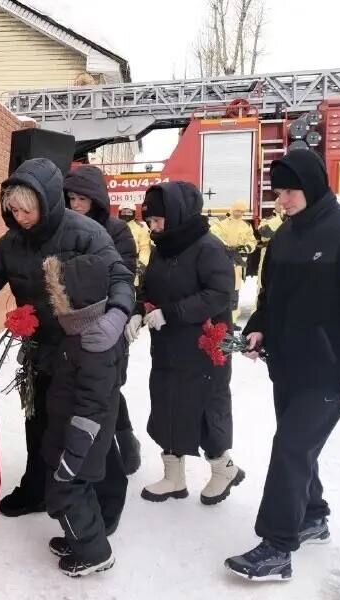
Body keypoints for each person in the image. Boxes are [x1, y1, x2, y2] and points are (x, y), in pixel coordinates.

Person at [0, 158, 135, 518]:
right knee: (39, 421)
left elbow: (119, 274)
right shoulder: (13, 243)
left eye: (26, 209)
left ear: (47, 201)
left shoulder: (84, 232)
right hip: (42, 348)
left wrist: (118, 315)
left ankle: (107, 501)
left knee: (91, 428)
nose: (20, 217)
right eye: (13, 210)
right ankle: (37, 487)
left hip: (87, 344)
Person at [225, 149, 340, 582]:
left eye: (290, 191)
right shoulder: (285, 237)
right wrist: (259, 329)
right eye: (278, 193)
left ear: (313, 185)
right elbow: (271, 298)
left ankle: (277, 546)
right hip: (289, 365)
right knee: (299, 448)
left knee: (291, 448)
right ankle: (312, 515)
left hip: (330, 369)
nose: (283, 201)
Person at [125, 183, 245, 505]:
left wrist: (173, 313)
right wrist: (140, 310)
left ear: (177, 215)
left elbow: (218, 294)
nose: (153, 227)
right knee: (167, 404)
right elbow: (150, 288)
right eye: (149, 222)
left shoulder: (208, 247)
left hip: (204, 348)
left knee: (206, 408)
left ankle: (223, 469)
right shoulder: (162, 249)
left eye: (158, 220)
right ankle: (173, 476)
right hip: (168, 348)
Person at [41, 254, 128, 577]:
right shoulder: (80, 331)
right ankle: (79, 537)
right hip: (66, 431)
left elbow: (92, 406)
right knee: (73, 489)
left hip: (82, 438)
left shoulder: (94, 345)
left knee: (69, 489)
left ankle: (94, 552)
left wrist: (73, 454)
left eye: (59, 296)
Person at [64, 165, 141, 475]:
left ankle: (123, 446)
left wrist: (114, 317)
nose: (75, 205)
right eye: (70, 198)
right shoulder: (65, 228)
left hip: (108, 324)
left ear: (96, 200)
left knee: (108, 391)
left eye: (82, 199)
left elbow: (124, 275)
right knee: (86, 394)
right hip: (72, 325)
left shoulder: (116, 230)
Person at [211, 200, 256, 325]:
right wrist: (227, 247)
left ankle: (233, 321)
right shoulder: (221, 223)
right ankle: (221, 321)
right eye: (237, 210)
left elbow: (252, 241)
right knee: (221, 291)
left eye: (242, 211)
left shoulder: (245, 226)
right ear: (232, 209)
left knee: (234, 294)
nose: (239, 213)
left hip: (237, 265)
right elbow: (214, 236)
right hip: (223, 262)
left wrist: (245, 248)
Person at [119, 198, 151, 286]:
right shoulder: (114, 226)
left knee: (132, 287)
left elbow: (145, 247)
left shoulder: (140, 228)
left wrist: (142, 263)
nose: (126, 214)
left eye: (129, 212)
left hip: (134, 263)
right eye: (123, 212)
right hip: (117, 261)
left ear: (133, 213)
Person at [255, 199, 284, 292]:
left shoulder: (294, 220)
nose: (281, 206)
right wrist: (280, 219)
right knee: (265, 283)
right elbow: (265, 232)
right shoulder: (267, 220)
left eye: (283, 203)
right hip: (269, 254)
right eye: (279, 204)